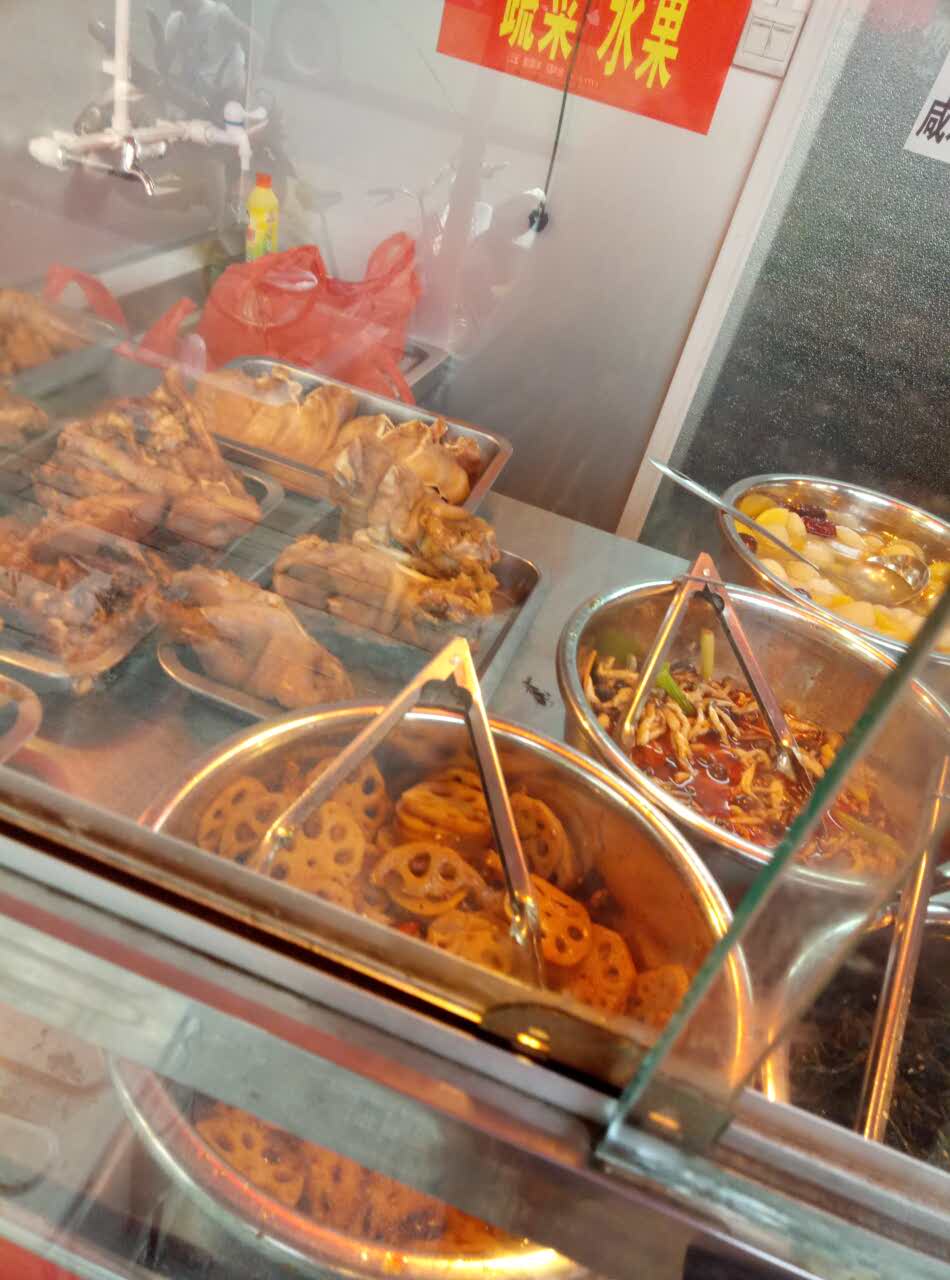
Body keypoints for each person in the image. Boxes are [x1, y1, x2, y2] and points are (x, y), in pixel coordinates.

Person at [164, 0, 249, 102]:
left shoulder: (220, 14)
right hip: (197, 97)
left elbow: (256, 44)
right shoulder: (175, 22)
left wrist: (250, 91)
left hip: (229, 96)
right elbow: (167, 64)